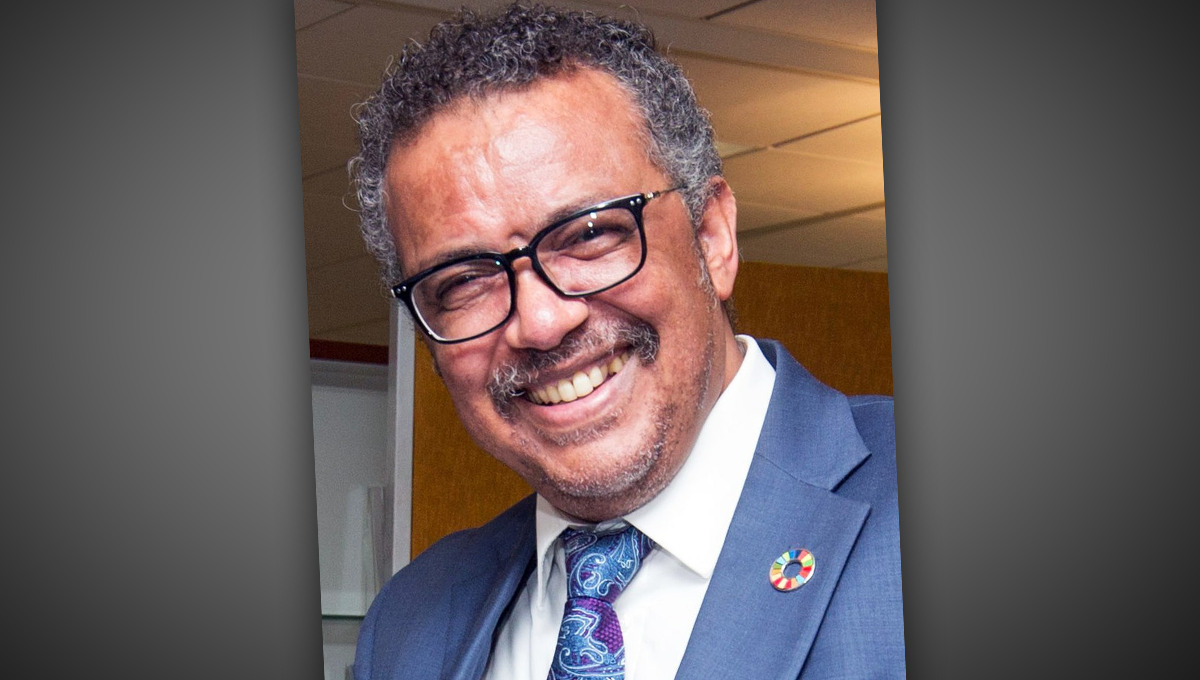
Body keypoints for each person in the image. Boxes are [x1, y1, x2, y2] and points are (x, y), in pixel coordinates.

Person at [348, 3, 904, 679]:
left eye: (588, 235)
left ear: (712, 237)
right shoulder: (409, 624)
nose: (541, 322)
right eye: (465, 280)